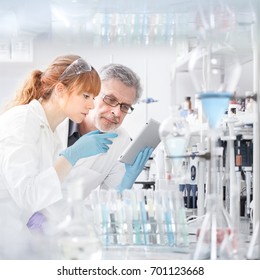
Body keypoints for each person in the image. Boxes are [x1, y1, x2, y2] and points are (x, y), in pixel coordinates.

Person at [0, 54, 118, 227]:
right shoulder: (22, 121)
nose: (91, 105)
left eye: (93, 98)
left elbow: (51, 199)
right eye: (86, 96)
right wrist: (72, 155)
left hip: (18, 233)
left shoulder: (51, 133)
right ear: (60, 90)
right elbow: (28, 196)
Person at [56, 63, 153, 200]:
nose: (117, 112)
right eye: (110, 99)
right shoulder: (56, 124)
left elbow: (111, 205)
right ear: (92, 94)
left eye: (125, 107)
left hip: (74, 219)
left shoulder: (120, 140)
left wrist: (126, 183)